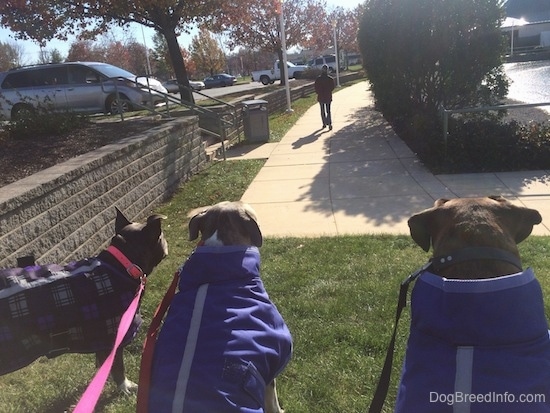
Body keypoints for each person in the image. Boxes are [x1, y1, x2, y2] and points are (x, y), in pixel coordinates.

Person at [314, 64, 335, 130]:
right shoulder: (330, 79)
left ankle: (324, 123)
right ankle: (329, 123)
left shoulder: (318, 79)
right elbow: (332, 87)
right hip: (328, 96)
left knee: (322, 110)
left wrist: (319, 92)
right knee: (328, 110)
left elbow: (316, 88)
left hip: (321, 97)